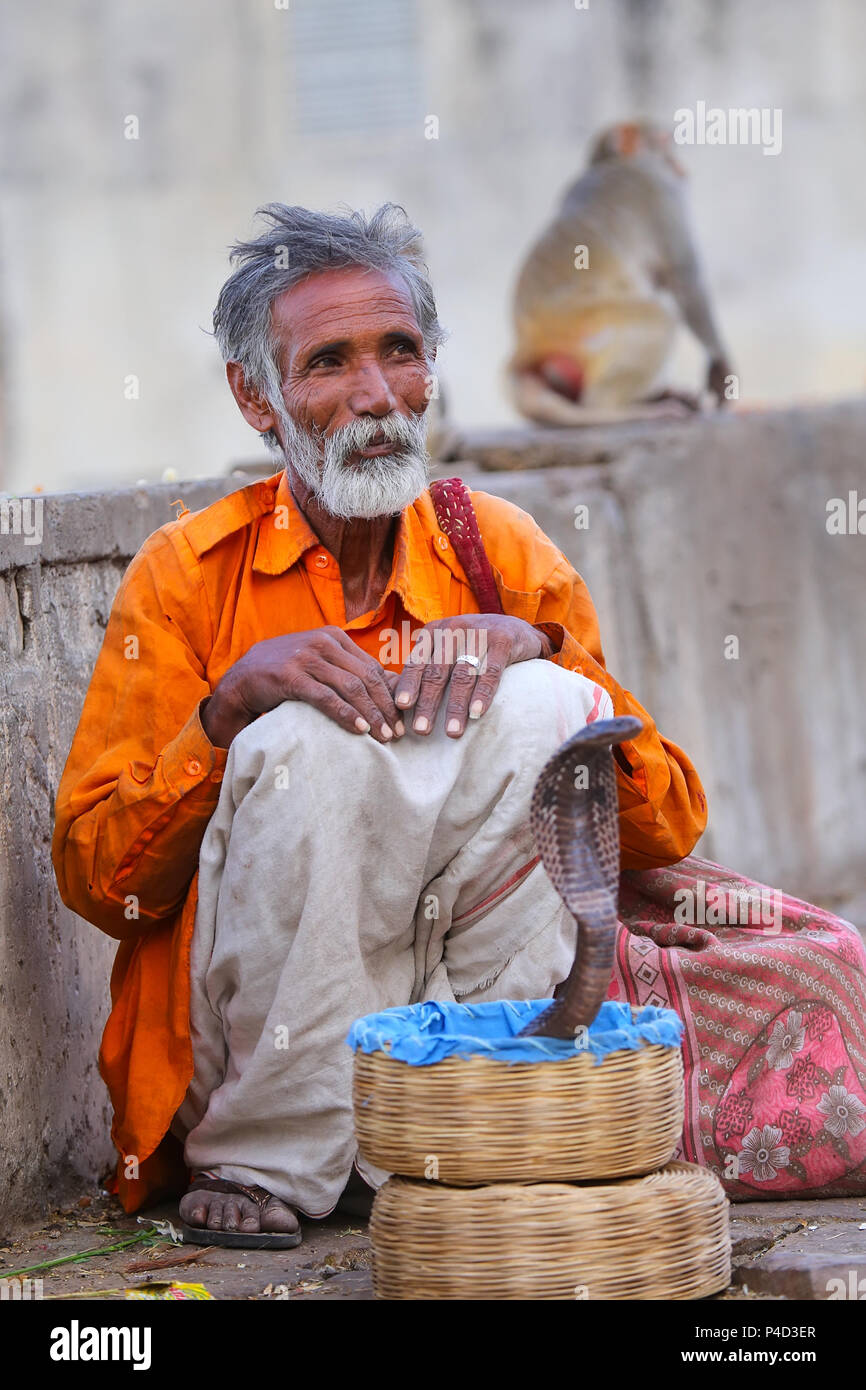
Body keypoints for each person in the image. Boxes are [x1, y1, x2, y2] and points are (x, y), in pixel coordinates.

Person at [52, 203, 707, 1246]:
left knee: (546, 705)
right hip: (254, 1063)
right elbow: (102, 884)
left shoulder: (498, 551)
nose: (372, 398)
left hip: (458, 1057)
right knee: (299, 739)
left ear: (432, 367)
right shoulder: (185, 576)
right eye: (326, 364)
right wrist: (226, 713)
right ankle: (273, 1155)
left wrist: (538, 650)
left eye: (398, 352)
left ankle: (495, 1101)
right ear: (257, 400)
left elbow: (666, 825)